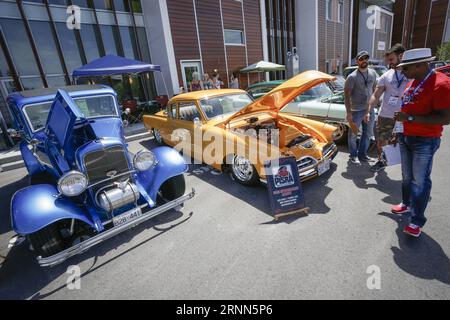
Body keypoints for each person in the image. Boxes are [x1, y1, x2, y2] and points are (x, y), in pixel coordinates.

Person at [392, 48, 450, 237]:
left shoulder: (441, 84)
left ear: (421, 65)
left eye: (406, 68)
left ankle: (417, 221)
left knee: (420, 181)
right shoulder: (413, 81)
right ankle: (407, 205)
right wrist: (398, 130)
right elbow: (406, 107)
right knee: (407, 176)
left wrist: (409, 119)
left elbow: (445, 118)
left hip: (424, 140)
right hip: (405, 136)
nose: (402, 71)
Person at [368, 43, 409, 172]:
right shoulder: (386, 76)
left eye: (391, 59)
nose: (389, 63)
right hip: (385, 115)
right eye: (388, 60)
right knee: (381, 142)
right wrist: (368, 110)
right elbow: (376, 94)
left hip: (404, 117)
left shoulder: (412, 74)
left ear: (401, 56)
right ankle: (381, 161)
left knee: (404, 143)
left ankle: (406, 165)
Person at [344, 50, 378, 165]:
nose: (364, 61)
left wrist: (373, 106)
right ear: (357, 61)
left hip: (369, 110)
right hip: (356, 111)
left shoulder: (373, 73)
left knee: (368, 134)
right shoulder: (352, 77)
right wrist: (348, 113)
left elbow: (374, 90)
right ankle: (353, 155)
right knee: (353, 134)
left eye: (366, 58)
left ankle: (363, 155)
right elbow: (346, 97)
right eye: (361, 59)